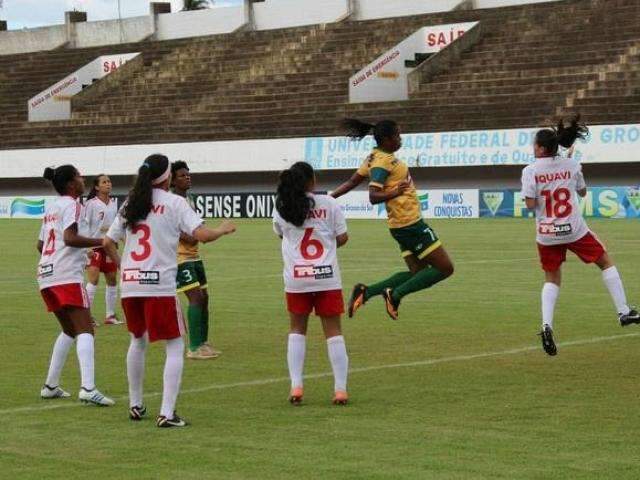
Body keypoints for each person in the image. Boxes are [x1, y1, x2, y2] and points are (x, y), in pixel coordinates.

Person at [103, 154, 236, 428]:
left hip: (131, 284)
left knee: (137, 341)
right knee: (175, 345)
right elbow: (202, 235)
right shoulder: (174, 203)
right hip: (159, 284)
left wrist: (124, 267)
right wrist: (222, 229)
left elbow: (107, 242)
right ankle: (167, 412)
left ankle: (136, 404)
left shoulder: (131, 203)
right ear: (166, 177)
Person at [520, 116, 639, 356]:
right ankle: (623, 311)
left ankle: (546, 325)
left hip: (547, 233)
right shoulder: (571, 165)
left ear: (542, 148)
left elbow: (531, 205)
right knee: (604, 261)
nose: (533, 148)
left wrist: (545, 190)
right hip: (573, 229)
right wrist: (567, 170)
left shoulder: (530, 171)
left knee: (551, 279)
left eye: (535, 145)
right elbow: (583, 192)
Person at [332, 118, 454, 320]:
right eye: (397, 135)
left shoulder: (375, 156)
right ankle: (394, 295)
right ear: (387, 139)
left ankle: (366, 292)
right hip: (411, 225)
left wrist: (327, 198)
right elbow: (373, 196)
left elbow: (352, 181)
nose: (400, 139)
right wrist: (396, 192)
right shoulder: (383, 162)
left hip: (400, 226)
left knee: (417, 273)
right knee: (445, 268)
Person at [273, 162, 350, 406]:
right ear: (311, 181)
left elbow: (281, 234)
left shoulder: (282, 206)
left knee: (297, 330)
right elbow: (343, 237)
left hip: (297, 278)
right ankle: (340, 389)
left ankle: (296, 386)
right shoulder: (329, 203)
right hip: (327, 276)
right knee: (334, 333)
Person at [37, 165, 114, 406]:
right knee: (85, 330)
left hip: (46, 274)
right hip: (65, 276)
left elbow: (41, 245)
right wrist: (100, 242)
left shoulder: (51, 207)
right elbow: (70, 238)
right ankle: (88, 388)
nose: (83, 180)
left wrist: (81, 254)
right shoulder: (72, 204)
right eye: (80, 177)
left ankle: (50, 385)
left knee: (70, 330)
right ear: (71, 184)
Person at [171, 161, 219, 360]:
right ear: (172, 180)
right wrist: (197, 235)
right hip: (180, 257)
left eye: (188, 174)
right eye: (182, 175)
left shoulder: (189, 199)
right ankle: (193, 347)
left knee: (205, 298)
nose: (187, 177)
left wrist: (198, 234)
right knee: (196, 298)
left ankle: (203, 342)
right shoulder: (172, 201)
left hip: (194, 256)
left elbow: (197, 227)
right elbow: (183, 232)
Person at [84, 174, 122, 326]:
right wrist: (86, 247)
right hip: (94, 246)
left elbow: (116, 225)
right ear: (97, 187)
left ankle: (110, 315)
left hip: (109, 246)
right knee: (93, 280)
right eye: (104, 182)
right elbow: (83, 225)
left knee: (112, 280)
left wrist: (119, 239)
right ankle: (86, 316)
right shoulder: (91, 204)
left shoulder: (113, 203)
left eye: (109, 181)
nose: (108, 184)